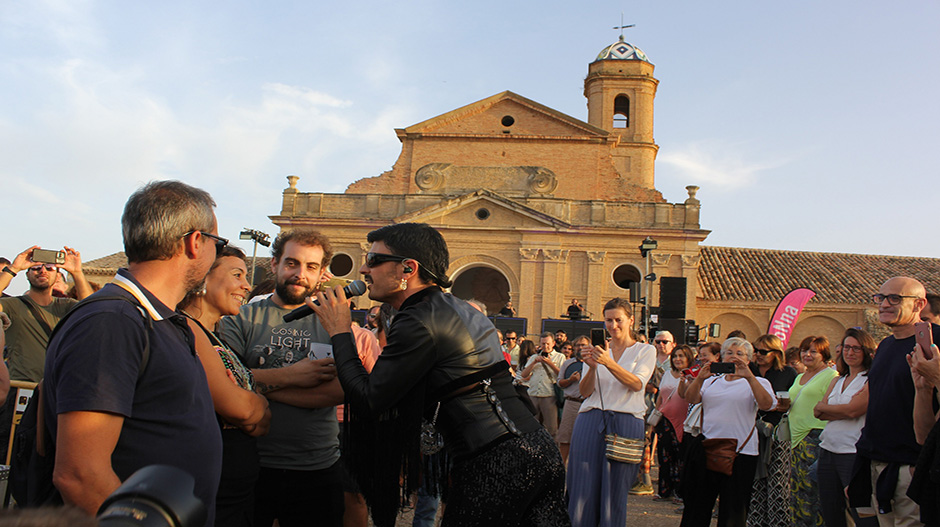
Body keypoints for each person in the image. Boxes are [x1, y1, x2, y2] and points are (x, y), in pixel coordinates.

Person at [310, 222, 568, 527]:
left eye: (375, 260)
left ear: (408, 269)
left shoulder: (419, 319)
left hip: (497, 460)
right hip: (535, 449)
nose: (364, 270)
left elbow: (370, 399)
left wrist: (340, 331)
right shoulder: (458, 307)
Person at [43, 180, 224, 525]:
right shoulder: (113, 323)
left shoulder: (157, 319)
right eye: (218, 242)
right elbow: (81, 475)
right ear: (195, 242)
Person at [218, 229, 347, 527]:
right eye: (292, 263)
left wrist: (256, 381)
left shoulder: (334, 321)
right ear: (274, 264)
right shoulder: (241, 318)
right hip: (253, 465)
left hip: (318, 467)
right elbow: (224, 385)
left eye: (311, 267)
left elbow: (339, 391)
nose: (300, 274)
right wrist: (293, 375)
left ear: (322, 273)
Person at [177, 245, 272, 527]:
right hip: (211, 495)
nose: (246, 285)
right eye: (237, 275)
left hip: (234, 493)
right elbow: (243, 410)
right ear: (203, 278)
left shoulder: (216, 337)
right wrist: (258, 405)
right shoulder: (186, 330)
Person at [849, 277, 937, 526]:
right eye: (881, 298)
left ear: (919, 304)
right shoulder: (885, 346)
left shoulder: (936, 342)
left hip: (912, 469)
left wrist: (919, 467)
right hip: (878, 465)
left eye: (895, 298)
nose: (884, 304)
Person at [567, 298, 656, 527]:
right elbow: (586, 392)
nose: (613, 325)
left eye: (619, 320)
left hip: (626, 421)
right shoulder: (597, 350)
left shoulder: (645, 350)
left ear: (630, 320)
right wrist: (593, 367)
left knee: (615, 489)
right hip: (590, 418)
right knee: (583, 486)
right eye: (609, 320)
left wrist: (608, 363)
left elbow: (637, 384)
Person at [680, 337, 775, 527]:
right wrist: (700, 378)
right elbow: (691, 398)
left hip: (741, 452)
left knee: (733, 510)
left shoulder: (759, 382)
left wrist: (749, 377)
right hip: (709, 447)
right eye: (729, 353)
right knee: (698, 506)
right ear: (722, 357)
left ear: (748, 359)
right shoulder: (713, 381)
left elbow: (767, 405)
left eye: (740, 354)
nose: (734, 357)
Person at [814, 328, 877, 527]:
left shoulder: (870, 380)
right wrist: (839, 410)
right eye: (846, 348)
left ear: (866, 351)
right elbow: (817, 412)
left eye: (856, 349)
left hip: (852, 453)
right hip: (827, 450)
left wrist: (830, 409)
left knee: (861, 513)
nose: (850, 353)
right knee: (831, 512)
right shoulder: (837, 380)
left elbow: (853, 411)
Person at [746, 334, 797, 527]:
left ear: (776, 353)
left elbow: (790, 402)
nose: (758, 354)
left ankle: (779, 522)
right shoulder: (748, 370)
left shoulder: (788, 373)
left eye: (763, 351)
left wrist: (775, 406)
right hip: (751, 430)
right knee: (755, 480)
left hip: (776, 432)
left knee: (777, 481)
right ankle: (756, 521)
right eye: (755, 350)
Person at [788, 336, 838, 527]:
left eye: (813, 351)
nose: (807, 354)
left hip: (814, 438)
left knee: (812, 493)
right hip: (794, 438)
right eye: (804, 350)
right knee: (796, 491)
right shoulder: (800, 376)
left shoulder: (831, 376)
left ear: (824, 354)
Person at [654, 344, 693, 501]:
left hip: (684, 421)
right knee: (664, 456)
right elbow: (660, 396)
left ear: (688, 358)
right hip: (665, 420)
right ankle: (664, 490)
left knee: (681, 457)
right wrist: (655, 415)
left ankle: (680, 491)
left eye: (681, 356)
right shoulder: (667, 374)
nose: (677, 359)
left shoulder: (692, 375)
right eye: (675, 356)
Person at [520, 331, 565, 438]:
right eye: (543, 343)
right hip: (533, 393)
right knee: (531, 425)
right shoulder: (534, 357)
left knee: (551, 428)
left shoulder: (559, 357)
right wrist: (534, 362)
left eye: (548, 343)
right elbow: (524, 374)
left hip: (549, 395)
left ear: (553, 343)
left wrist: (550, 363)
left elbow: (562, 375)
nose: (545, 346)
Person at [557, 334, 588, 463]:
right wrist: (570, 380)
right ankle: (562, 466)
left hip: (588, 404)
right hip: (572, 403)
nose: (580, 348)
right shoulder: (567, 363)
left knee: (587, 439)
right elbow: (560, 383)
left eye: (583, 345)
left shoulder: (595, 364)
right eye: (578, 345)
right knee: (565, 437)